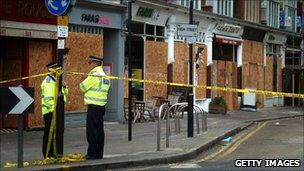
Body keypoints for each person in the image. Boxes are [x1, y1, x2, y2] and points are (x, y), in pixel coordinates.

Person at [80, 56, 110, 160]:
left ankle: (92, 153)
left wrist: (83, 79)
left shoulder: (94, 74)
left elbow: (83, 87)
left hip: (93, 106)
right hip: (101, 106)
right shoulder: (105, 76)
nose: (89, 65)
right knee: (99, 130)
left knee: (91, 131)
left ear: (94, 63)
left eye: (90, 62)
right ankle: (99, 153)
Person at [41, 62, 68, 158]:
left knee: (55, 133)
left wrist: (65, 87)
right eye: (56, 69)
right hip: (50, 112)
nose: (58, 71)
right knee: (49, 133)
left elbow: (64, 95)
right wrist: (54, 111)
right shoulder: (49, 82)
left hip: (56, 111)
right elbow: (48, 99)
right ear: (51, 70)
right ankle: (48, 154)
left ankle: (53, 153)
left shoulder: (56, 81)